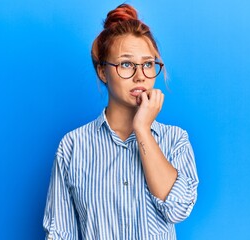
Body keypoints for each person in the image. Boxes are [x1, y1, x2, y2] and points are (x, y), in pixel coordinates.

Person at [43, 4, 198, 240]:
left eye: (148, 64)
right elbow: (60, 233)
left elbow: (178, 208)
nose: (140, 75)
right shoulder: (73, 146)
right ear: (102, 72)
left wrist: (143, 129)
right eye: (126, 64)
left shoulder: (175, 140)